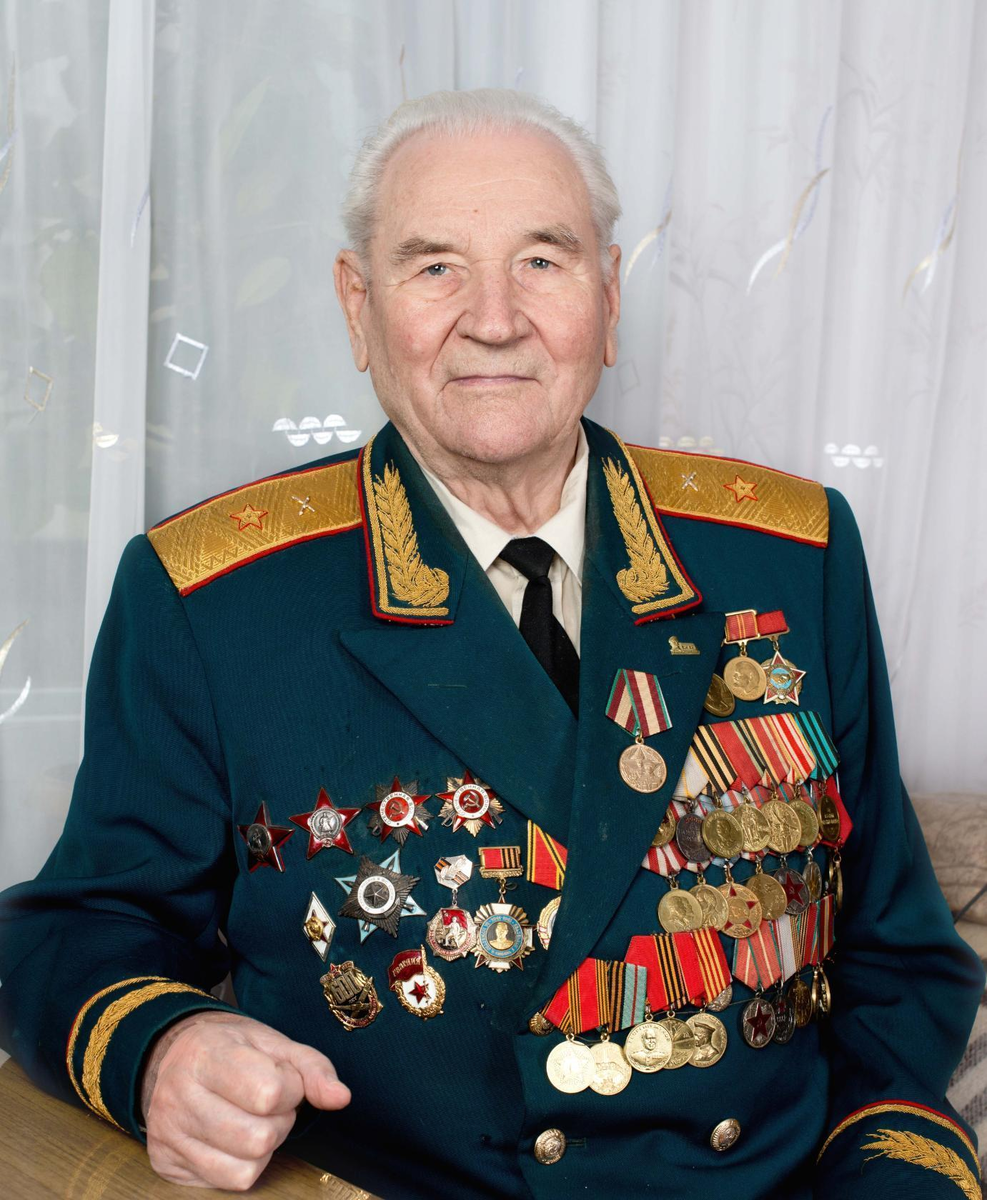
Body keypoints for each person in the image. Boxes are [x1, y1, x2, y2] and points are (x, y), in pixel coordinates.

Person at [0, 88, 983, 1200]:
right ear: (358, 307)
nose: (496, 319)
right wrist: (165, 1048)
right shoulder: (212, 598)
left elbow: (895, 956)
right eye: (435, 267)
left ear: (608, 299)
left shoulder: (790, 555)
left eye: (542, 262)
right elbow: (84, 926)